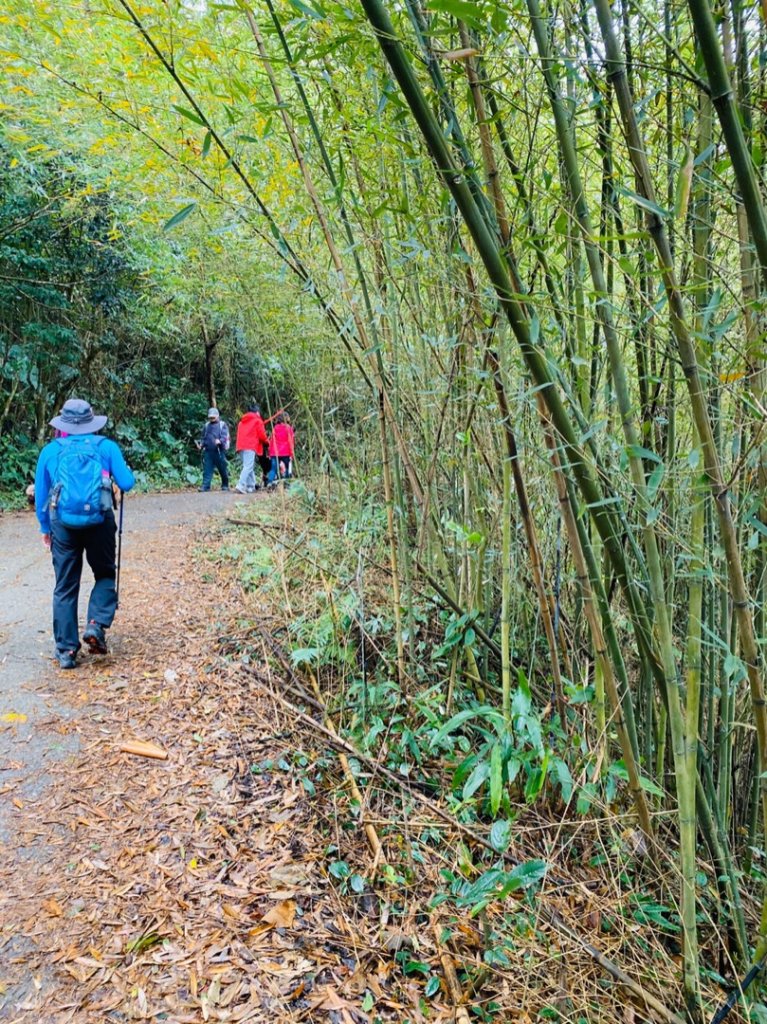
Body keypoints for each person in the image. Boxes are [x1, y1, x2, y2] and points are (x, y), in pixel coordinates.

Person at [34, 398, 135, 670]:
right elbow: (127, 482)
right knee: (104, 573)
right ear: (92, 422)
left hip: (63, 525)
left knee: (65, 585)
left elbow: (42, 495)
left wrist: (45, 528)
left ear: (63, 424)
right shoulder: (106, 447)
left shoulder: (50, 451)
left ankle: (66, 650)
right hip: (100, 522)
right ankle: (95, 624)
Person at [234, 404, 268, 494]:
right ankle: (240, 485)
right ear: (257, 412)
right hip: (250, 446)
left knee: (249, 466)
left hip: (240, 446)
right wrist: (268, 441)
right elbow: (262, 435)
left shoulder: (242, 422)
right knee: (248, 466)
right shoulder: (257, 421)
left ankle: (251, 486)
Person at [196, 407, 230, 491]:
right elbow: (204, 437)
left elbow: (225, 436)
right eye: (210, 417)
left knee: (222, 469)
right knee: (207, 469)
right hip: (208, 451)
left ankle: (225, 484)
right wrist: (201, 445)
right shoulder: (207, 425)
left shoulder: (222, 425)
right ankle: (205, 486)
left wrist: (220, 441)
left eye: (213, 417)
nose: (211, 419)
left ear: (217, 416)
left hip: (219, 451)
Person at [268, 414, 295, 485]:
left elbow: (271, 441)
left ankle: (269, 483)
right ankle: (286, 484)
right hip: (285, 452)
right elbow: (290, 441)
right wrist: (292, 454)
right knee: (287, 468)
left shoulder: (275, 428)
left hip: (275, 452)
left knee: (273, 469)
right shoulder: (288, 428)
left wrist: (270, 452)